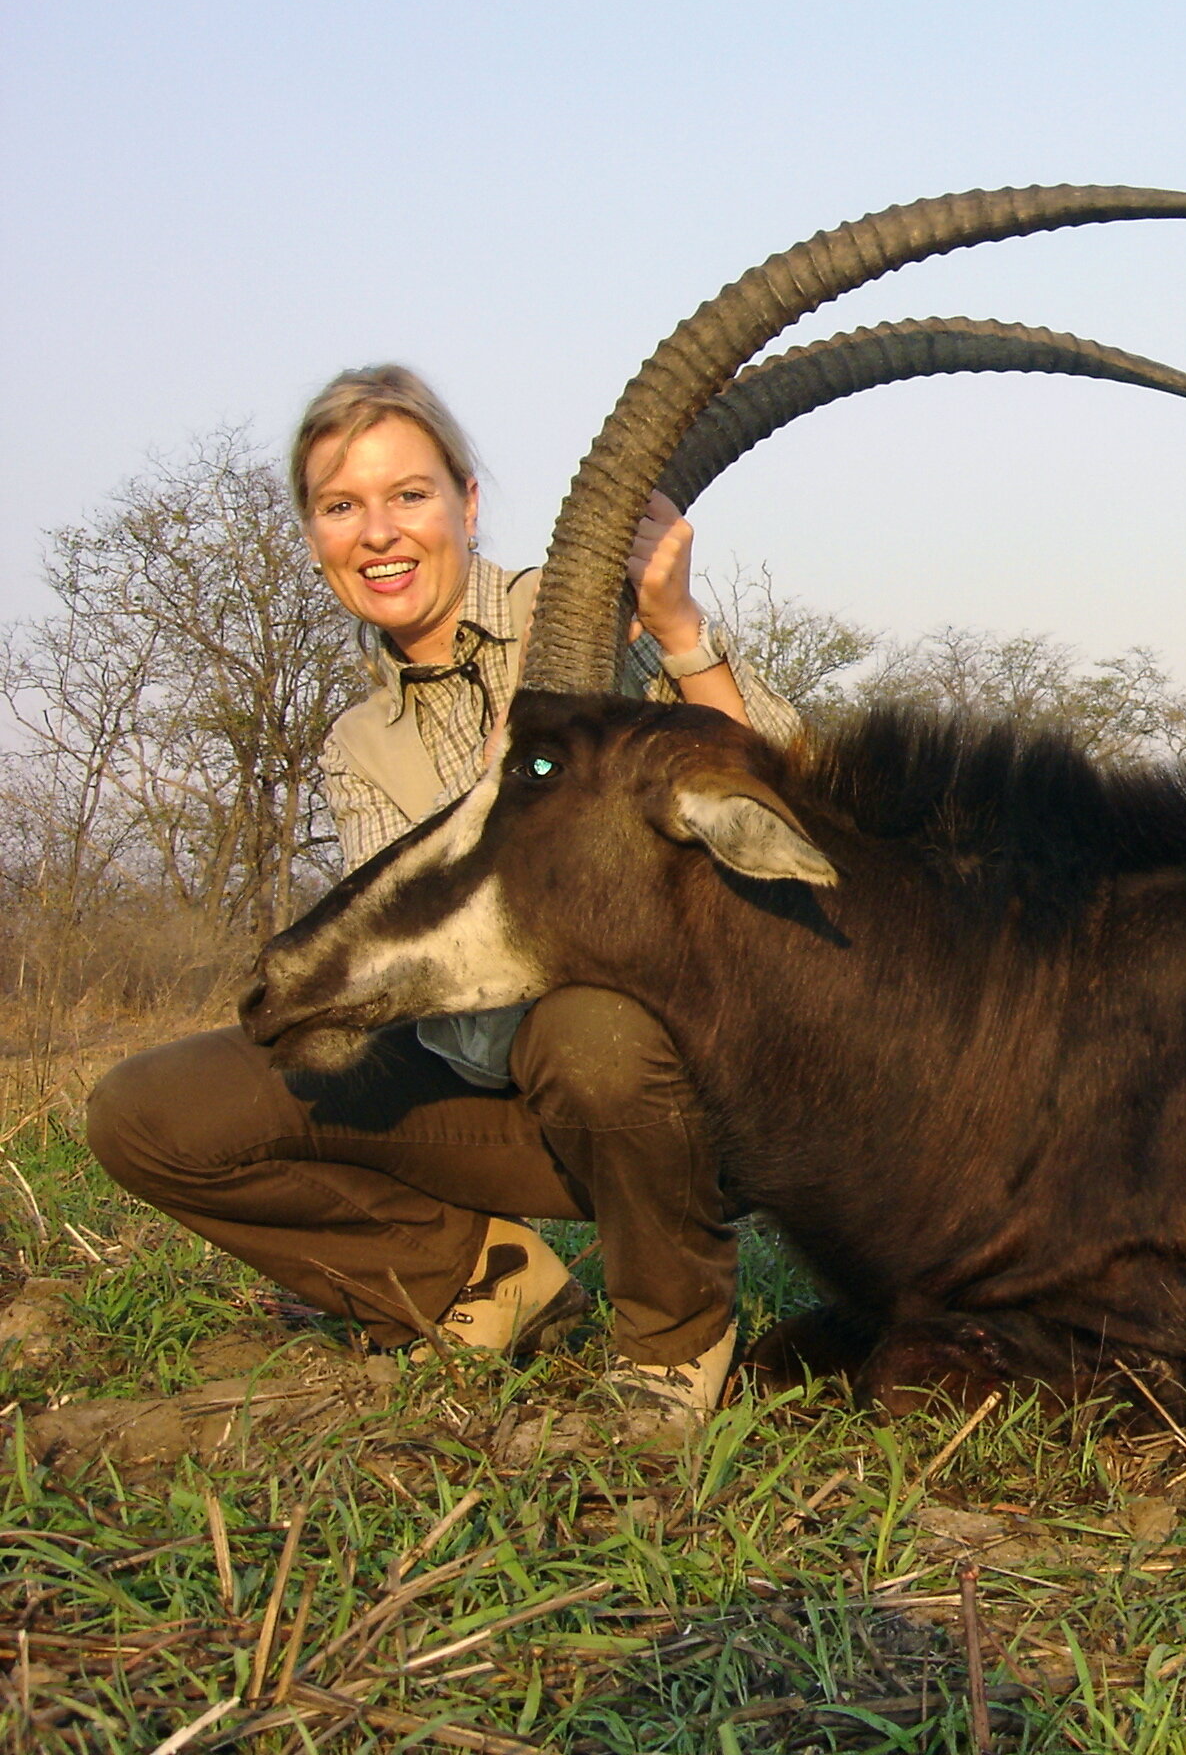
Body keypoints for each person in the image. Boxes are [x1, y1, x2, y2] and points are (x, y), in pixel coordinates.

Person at [86, 366, 800, 1431]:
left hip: (675, 1086)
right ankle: (477, 1282)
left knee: (591, 1026)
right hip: (503, 1075)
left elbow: (796, 795)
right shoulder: (360, 746)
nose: (378, 532)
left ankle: (673, 1339)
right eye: (341, 505)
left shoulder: (586, 617)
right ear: (315, 533)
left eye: (408, 495)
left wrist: (681, 633)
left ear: (467, 504)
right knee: (149, 1114)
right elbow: (424, 992)